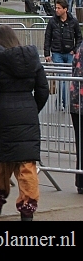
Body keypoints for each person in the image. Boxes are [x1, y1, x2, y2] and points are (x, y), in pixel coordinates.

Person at [0, 25, 49, 220]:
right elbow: (43, 89)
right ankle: (28, 206)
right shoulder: (32, 59)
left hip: (1, 113)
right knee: (26, 163)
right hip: (27, 113)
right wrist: (32, 107)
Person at [43, 0, 81, 109]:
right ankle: (65, 103)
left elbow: (79, 37)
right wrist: (47, 53)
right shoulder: (52, 21)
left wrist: (75, 49)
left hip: (70, 53)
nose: (56, 10)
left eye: (59, 8)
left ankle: (61, 101)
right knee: (62, 79)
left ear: (65, 9)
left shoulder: (73, 22)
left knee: (68, 80)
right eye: (56, 8)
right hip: (57, 53)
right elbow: (48, 37)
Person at [71, 47, 83, 194]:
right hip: (79, 102)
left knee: (80, 143)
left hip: (76, 102)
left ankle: (80, 182)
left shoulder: (80, 48)